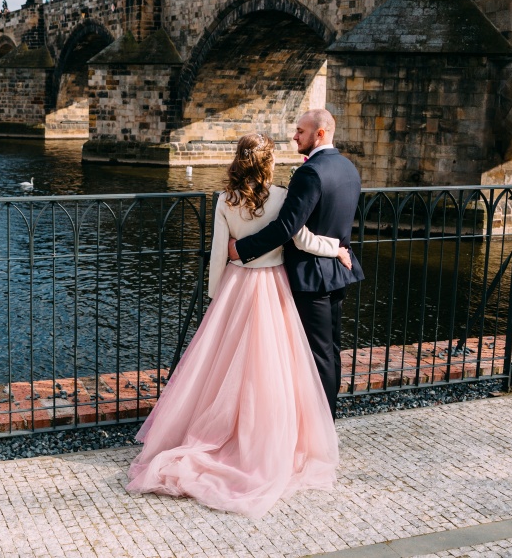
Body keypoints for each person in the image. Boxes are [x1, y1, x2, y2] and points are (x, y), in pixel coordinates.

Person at [126, 133, 346, 518]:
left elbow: (218, 254)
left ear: (238, 162)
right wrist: (336, 249)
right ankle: (265, 436)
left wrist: (217, 297)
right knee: (271, 366)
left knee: (223, 364)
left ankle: (218, 429)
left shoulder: (225, 200)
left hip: (237, 284)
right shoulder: (281, 196)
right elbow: (303, 239)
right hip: (273, 285)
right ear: (268, 163)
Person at [230, 109, 364, 419]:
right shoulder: (348, 168)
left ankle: (320, 422)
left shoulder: (310, 173)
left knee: (315, 354)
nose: (294, 136)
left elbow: (285, 227)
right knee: (330, 350)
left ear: (320, 133)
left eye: (301, 131)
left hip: (310, 277)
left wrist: (241, 249)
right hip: (338, 270)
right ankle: (326, 417)